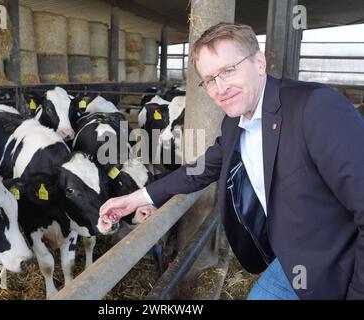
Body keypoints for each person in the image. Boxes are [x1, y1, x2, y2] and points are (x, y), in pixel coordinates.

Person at [99, 22, 364, 300]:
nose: (220, 88)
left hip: (340, 267)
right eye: (210, 79)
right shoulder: (234, 123)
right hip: (290, 262)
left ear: (259, 62)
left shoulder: (315, 108)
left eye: (228, 70)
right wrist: (135, 199)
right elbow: (199, 171)